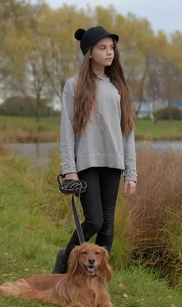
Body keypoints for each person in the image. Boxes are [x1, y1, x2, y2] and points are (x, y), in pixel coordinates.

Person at [52, 26, 138, 274]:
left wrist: (131, 173)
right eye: (102, 48)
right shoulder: (74, 85)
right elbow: (66, 129)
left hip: (114, 164)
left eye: (111, 47)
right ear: (89, 53)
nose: (109, 52)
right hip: (86, 164)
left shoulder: (118, 86)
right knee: (94, 220)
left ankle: (98, 279)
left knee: (108, 224)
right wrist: (69, 170)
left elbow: (128, 130)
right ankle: (64, 261)